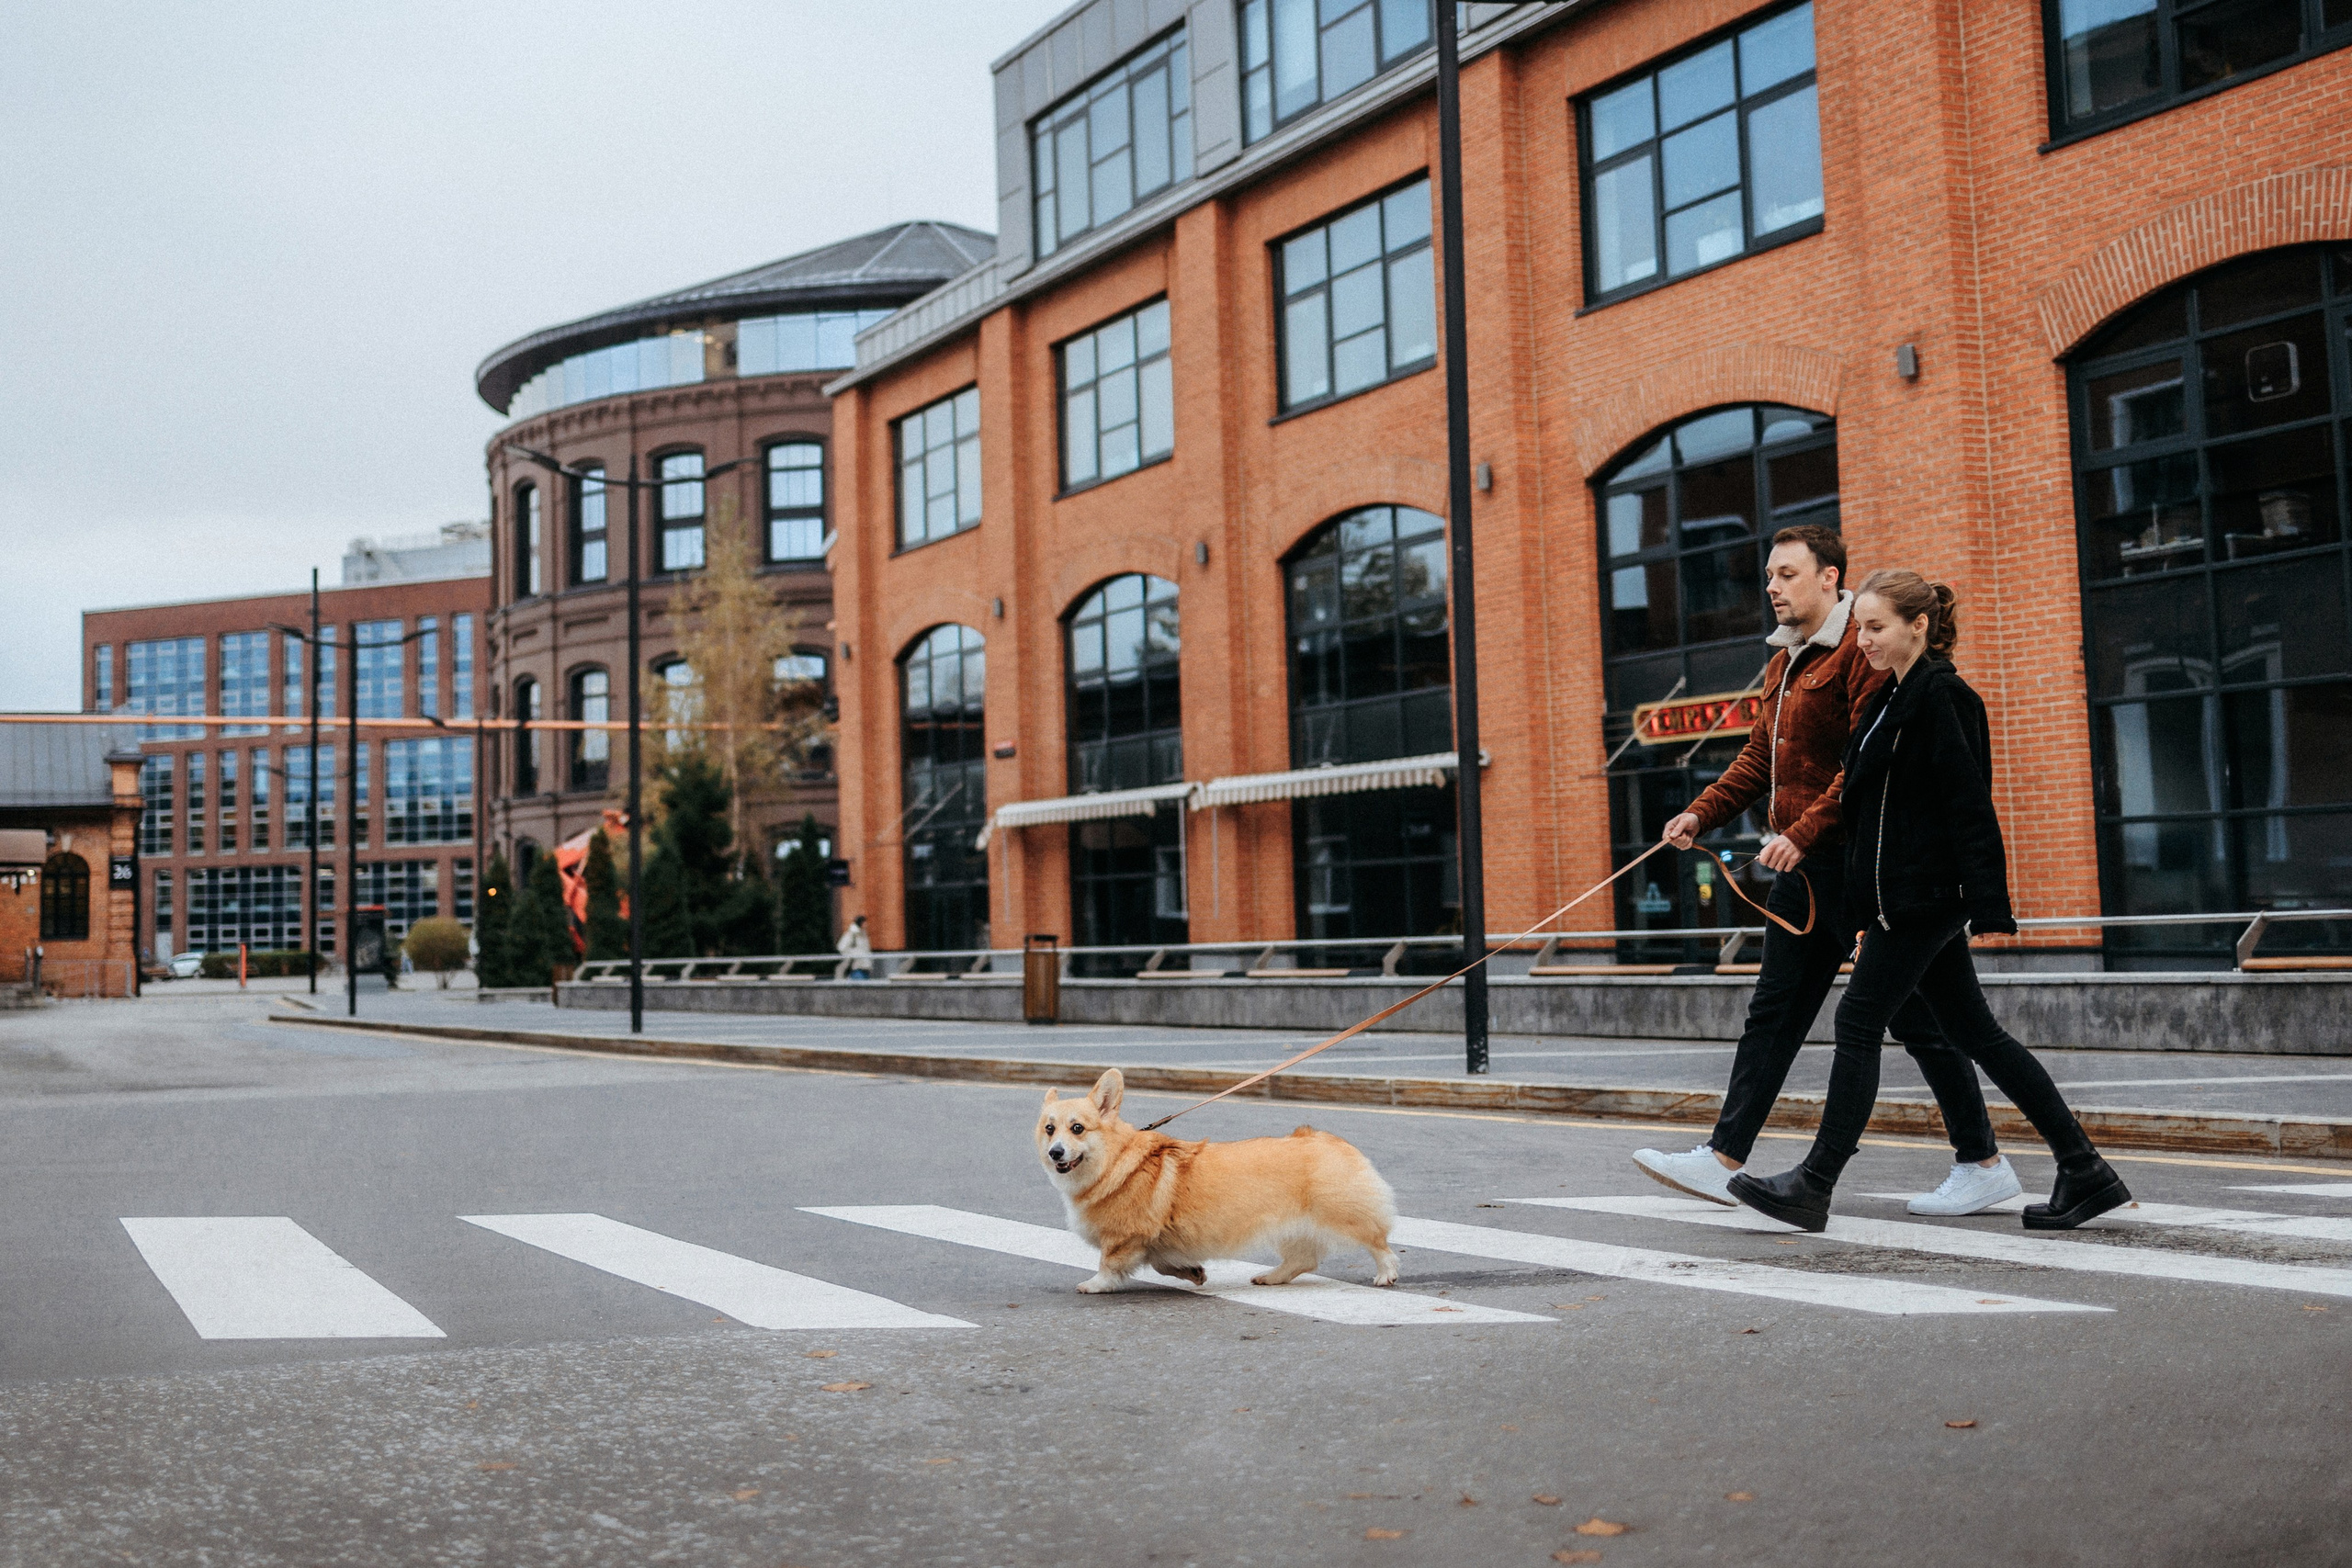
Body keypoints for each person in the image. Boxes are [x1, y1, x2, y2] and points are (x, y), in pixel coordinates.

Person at [1629, 525, 2018, 1216]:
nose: (1772, 588)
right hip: (1803, 868)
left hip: (1862, 865)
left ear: (1830, 577)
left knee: (1922, 1022)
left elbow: (1862, 768)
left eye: (1787, 574)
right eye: (1769, 578)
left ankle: (1981, 1159)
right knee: (1776, 1012)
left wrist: (1804, 833)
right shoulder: (1786, 663)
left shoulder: (1859, 652)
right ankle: (1724, 1156)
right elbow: (1758, 760)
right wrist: (1699, 813)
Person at [1728, 570, 2132, 1232]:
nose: (1864, 641)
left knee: (1858, 1023)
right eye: (1860, 628)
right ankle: (2084, 1169)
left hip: (1923, 900)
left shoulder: (1944, 696)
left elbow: (1970, 807)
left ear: (1919, 624)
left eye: (1877, 627)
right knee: (1976, 1032)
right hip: (1897, 900)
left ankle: (1815, 1182)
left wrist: (1988, 903)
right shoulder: (1891, 697)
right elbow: (1868, 810)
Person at [837, 914, 874, 980]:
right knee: (859, 987)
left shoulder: (863, 934)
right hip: (856, 967)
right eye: (864, 923)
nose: (866, 925)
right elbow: (841, 947)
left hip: (865, 966)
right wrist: (853, 955)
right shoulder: (852, 934)